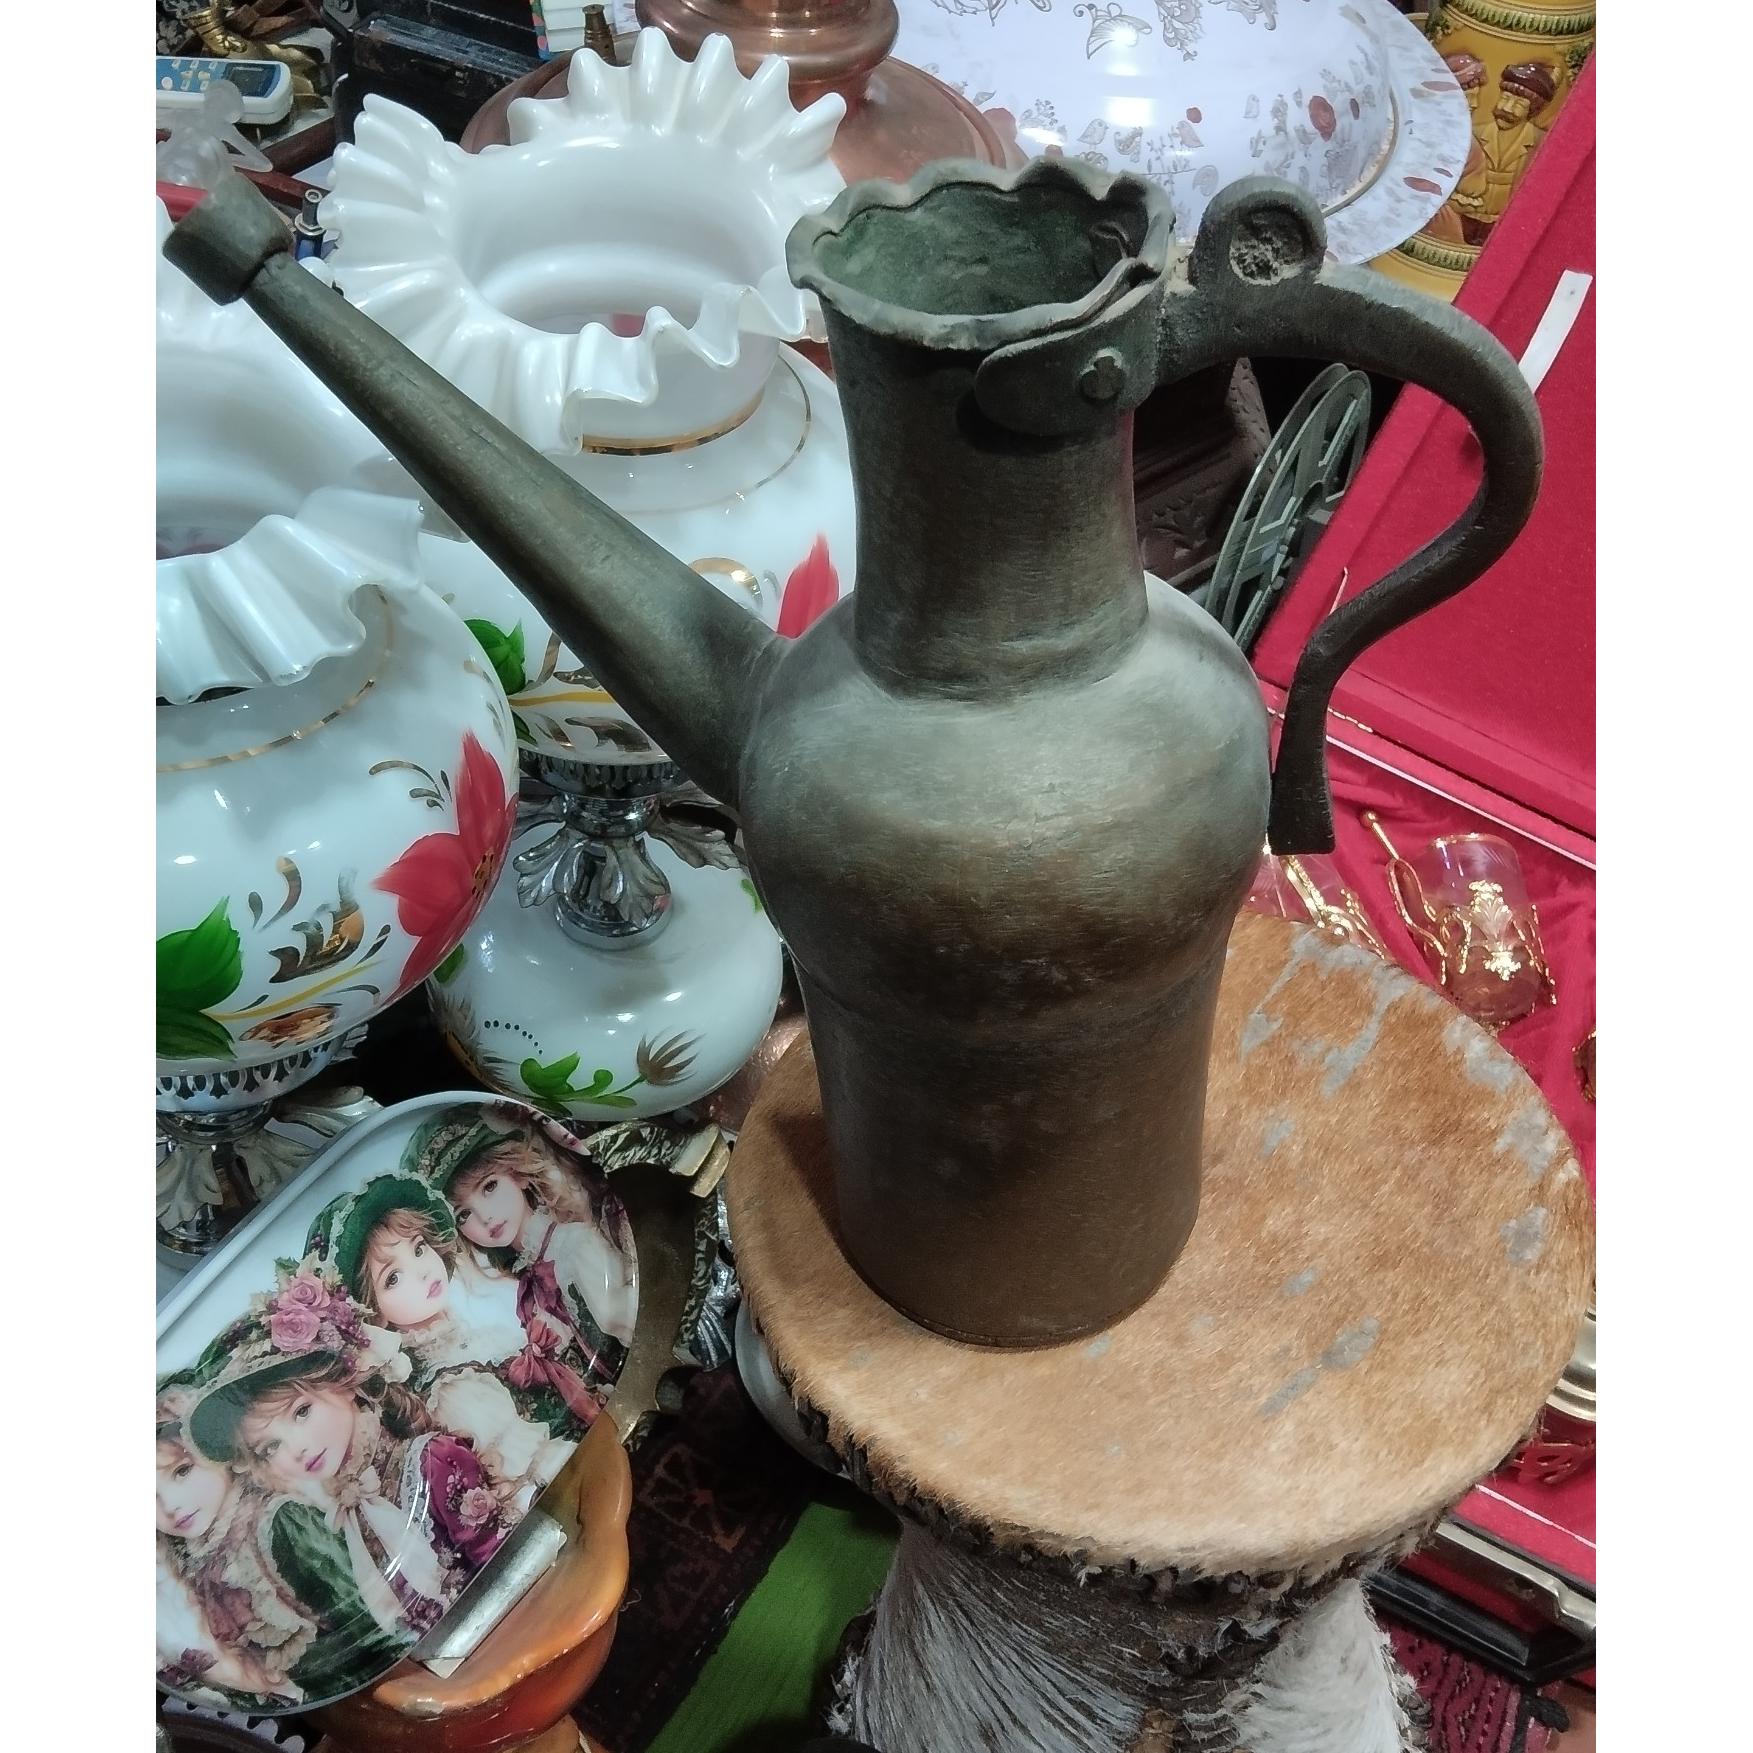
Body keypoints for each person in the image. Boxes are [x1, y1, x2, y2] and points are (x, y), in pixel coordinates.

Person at [186, 1273, 509, 1705]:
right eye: (271, 1447)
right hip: (433, 1681)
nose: (297, 1449)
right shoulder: (340, 1514)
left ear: (342, 1382)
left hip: (502, 1643)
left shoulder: (432, 1460)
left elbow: (503, 1569)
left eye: (301, 1412)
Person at [305, 1174, 569, 1513]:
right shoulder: (445, 1386)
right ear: (373, 1312)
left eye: (418, 1249)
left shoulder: (466, 1339)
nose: (422, 1271)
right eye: (393, 1278)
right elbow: (522, 1467)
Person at [409, 1108, 636, 1440]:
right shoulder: (532, 1274)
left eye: (489, 1187)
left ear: (518, 1175)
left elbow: (625, 1321)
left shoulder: (572, 1247)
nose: (485, 1217)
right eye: (463, 1215)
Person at [156, 1378, 311, 1708]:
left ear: (217, 1449)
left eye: (182, 1472)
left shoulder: (277, 1519)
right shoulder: (189, 1562)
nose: (169, 1506)